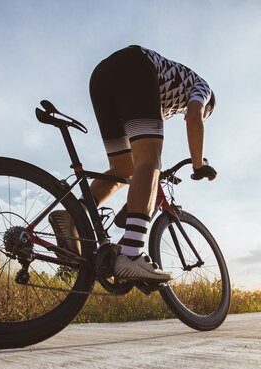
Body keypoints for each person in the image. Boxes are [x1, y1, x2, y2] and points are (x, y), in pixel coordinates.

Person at [50, 45, 217, 283]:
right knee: (149, 162)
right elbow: (194, 117)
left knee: (124, 168)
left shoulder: (164, 97)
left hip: (102, 78)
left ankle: (74, 215)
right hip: (135, 67)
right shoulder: (203, 87)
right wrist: (198, 165)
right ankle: (131, 254)